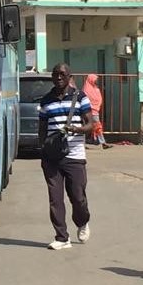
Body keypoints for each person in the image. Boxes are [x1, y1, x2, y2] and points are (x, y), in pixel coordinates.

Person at [38, 63, 96, 250]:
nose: (58, 77)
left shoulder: (80, 97)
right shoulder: (46, 100)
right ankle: (62, 237)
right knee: (55, 198)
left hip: (75, 156)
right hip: (52, 157)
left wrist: (77, 129)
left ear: (70, 76)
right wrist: (43, 149)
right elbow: (42, 128)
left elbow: (90, 125)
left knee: (78, 197)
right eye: (55, 75)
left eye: (62, 74)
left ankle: (82, 221)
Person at [81, 74, 110, 149]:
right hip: (87, 111)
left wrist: (96, 106)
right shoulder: (85, 90)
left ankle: (102, 142)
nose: (96, 81)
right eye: (95, 80)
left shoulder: (96, 89)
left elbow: (99, 99)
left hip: (95, 110)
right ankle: (102, 142)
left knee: (97, 127)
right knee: (85, 127)